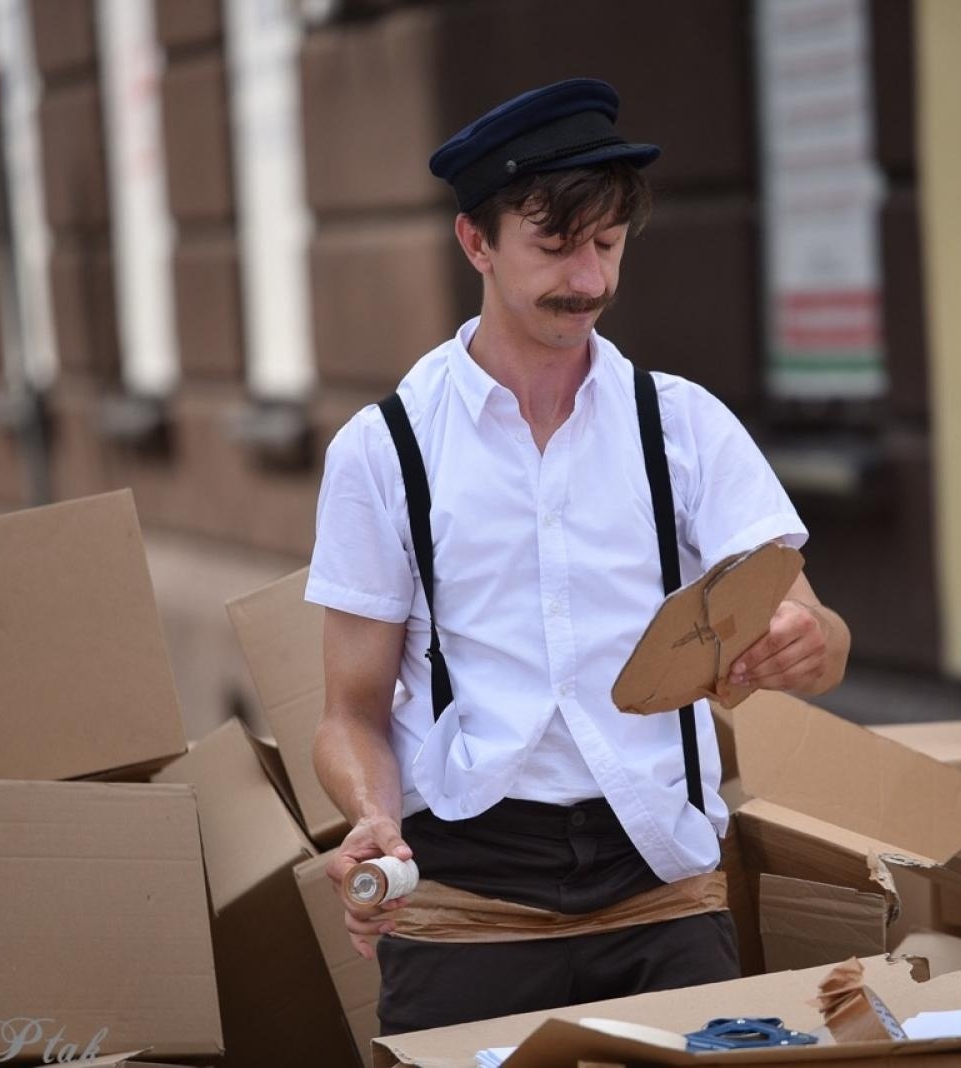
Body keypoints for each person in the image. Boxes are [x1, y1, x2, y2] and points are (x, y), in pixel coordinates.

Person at [308, 77, 851, 1035]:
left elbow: (818, 626)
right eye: (554, 245)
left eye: (606, 245)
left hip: (662, 893)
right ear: (476, 240)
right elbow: (350, 711)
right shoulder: (383, 449)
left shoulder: (681, 426)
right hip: (464, 904)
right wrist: (370, 819)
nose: (590, 279)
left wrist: (808, 647)